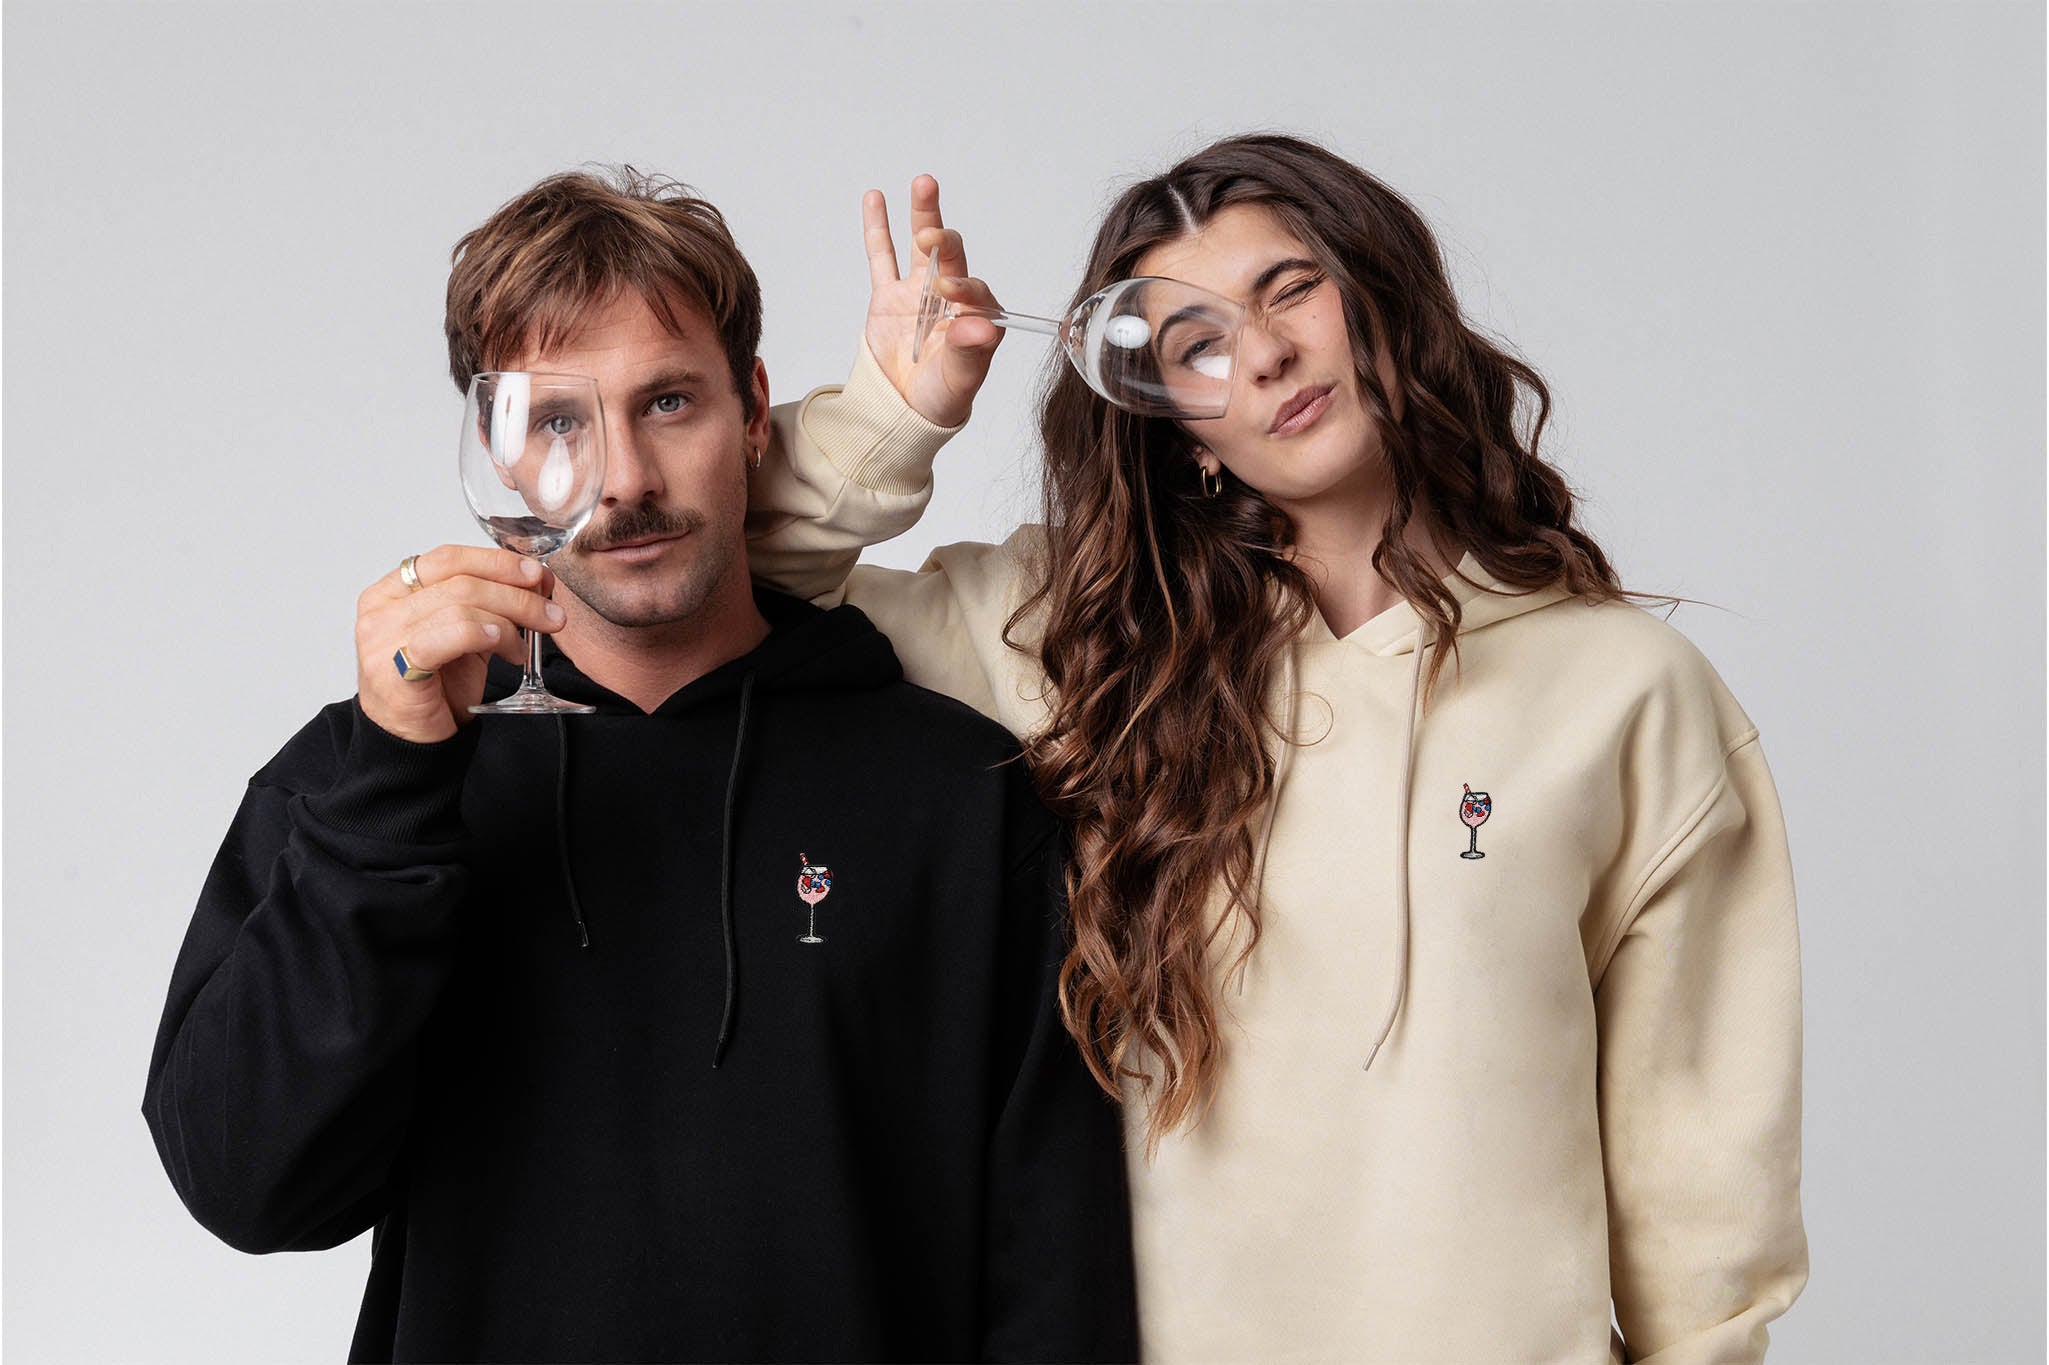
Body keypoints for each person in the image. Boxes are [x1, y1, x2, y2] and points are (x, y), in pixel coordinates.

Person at [748, 134, 1806, 1362]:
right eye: (1196, 345)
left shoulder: (1629, 691)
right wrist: (892, 416)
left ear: (1383, 301)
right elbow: (745, 588)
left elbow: (1706, 1211)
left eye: (1290, 289)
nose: (1263, 355)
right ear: (1183, 431)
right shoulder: (1086, 648)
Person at [142, 167, 1137, 1365]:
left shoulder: (964, 793)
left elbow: (1056, 1271)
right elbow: (246, 1186)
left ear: (754, 412)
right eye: (559, 421)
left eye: (668, 402)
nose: (624, 479)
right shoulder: (366, 780)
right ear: (499, 452)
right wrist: (394, 793)